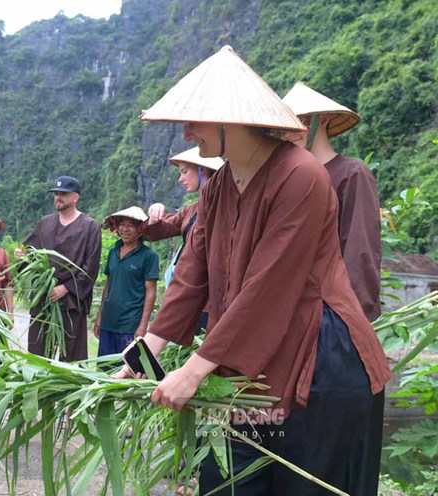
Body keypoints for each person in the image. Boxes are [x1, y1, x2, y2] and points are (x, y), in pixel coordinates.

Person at [118, 46, 390, 495]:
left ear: (232, 119)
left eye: (197, 120)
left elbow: (270, 284)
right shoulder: (219, 185)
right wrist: (144, 352)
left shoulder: (301, 175)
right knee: (225, 482)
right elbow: (192, 275)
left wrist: (193, 371)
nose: (187, 132)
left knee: (303, 485)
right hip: (250, 358)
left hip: (318, 358)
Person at [282, 82, 382, 322]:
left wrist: (350, 322)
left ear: (323, 119)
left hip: (334, 318)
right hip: (295, 316)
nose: (288, 132)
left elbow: (361, 252)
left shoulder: (352, 173)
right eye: (285, 125)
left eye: (301, 121)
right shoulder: (289, 180)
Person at [17, 175, 102, 362]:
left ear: (75, 197)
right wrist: (22, 257)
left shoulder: (90, 227)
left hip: (72, 301)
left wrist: (67, 288)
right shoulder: (44, 223)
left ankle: (68, 390)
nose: (58, 198)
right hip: (44, 299)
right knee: (38, 354)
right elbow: (31, 255)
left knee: (71, 356)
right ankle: (39, 388)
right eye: (56, 194)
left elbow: (91, 267)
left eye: (63, 194)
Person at [144, 147, 224, 287]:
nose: (181, 179)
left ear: (202, 170)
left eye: (185, 171)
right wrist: (154, 216)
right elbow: (158, 231)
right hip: (189, 285)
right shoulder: (191, 209)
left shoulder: (226, 206)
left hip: (213, 286)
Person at [94, 206, 159, 359]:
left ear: (141, 229)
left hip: (130, 324)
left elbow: (151, 292)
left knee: (126, 370)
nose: (125, 229)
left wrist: (143, 325)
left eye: (130, 225)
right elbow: (108, 286)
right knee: (104, 369)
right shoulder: (113, 252)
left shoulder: (148, 256)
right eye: (122, 224)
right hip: (108, 322)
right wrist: (99, 317)